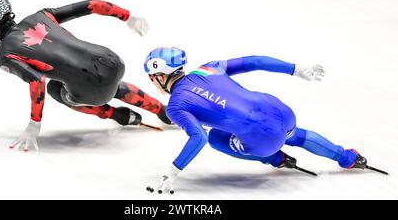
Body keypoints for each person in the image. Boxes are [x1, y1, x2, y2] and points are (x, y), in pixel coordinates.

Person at [143, 47, 384, 194]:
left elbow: (199, 138)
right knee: (295, 135)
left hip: (263, 139)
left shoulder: (176, 106)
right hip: (279, 110)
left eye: (152, 77)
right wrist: (295, 69)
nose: (152, 82)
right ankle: (348, 158)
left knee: (216, 137)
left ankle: (275, 158)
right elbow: (254, 61)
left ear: (161, 76)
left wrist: (173, 171)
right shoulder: (208, 68)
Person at [0, 0, 171, 152]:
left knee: (55, 89)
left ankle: (116, 114)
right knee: (110, 86)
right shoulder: (41, 15)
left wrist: (34, 123)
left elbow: (37, 81)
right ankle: (163, 110)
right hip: (112, 59)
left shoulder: (6, 54)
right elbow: (92, 4)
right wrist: (129, 17)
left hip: (91, 88)